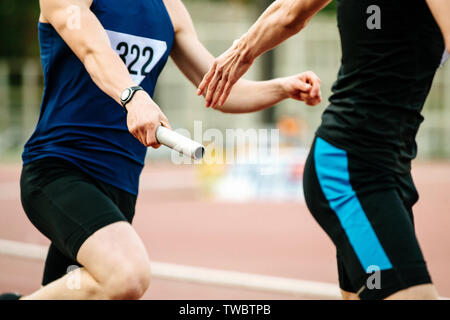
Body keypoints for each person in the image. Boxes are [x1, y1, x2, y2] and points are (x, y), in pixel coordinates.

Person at [0, 0, 322, 300]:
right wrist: (133, 96)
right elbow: (91, 49)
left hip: (121, 185)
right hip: (60, 170)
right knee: (127, 274)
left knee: (84, 288)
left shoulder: (170, 8)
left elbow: (220, 87)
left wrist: (281, 88)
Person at [198, 0, 450, 300]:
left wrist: (242, 51)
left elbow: (292, 14)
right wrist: (240, 51)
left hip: (389, 168)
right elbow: (291, 12)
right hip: (351, 170)